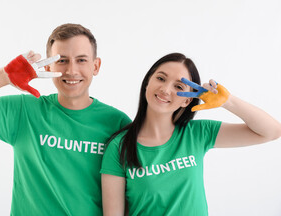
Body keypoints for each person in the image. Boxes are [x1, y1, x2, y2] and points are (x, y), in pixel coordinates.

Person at [0, 23, 131, 215]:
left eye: (81, 60)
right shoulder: (24, 111)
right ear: (48, 67)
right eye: (62, 60)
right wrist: (4, 76)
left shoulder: (117, 123)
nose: (71, 70)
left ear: (96, 66)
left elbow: (134, 191)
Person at [100, 53, 281, 216]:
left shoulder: (197, 134)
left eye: (178, 85)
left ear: (187, 100)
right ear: (148, 82)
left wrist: (228, 102)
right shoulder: (119, 147)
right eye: (161, 78)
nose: (165, 89)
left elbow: (271, 132)